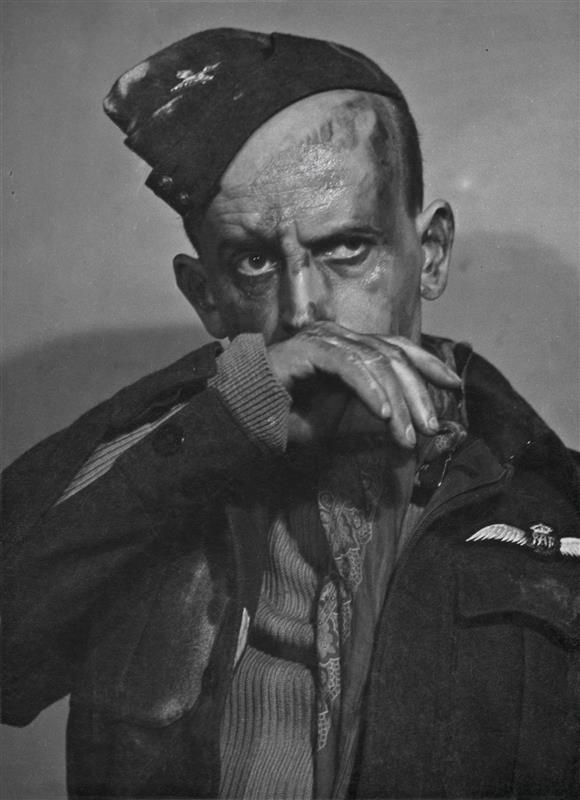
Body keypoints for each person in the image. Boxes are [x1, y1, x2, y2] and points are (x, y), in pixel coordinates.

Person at [2, 28, 579, 800]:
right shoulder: (147, 459)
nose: (305, 310)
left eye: (347, 248)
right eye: (253, 262)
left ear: (433, 253)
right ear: (205, 297)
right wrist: (228, 418)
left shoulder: (552, 506)